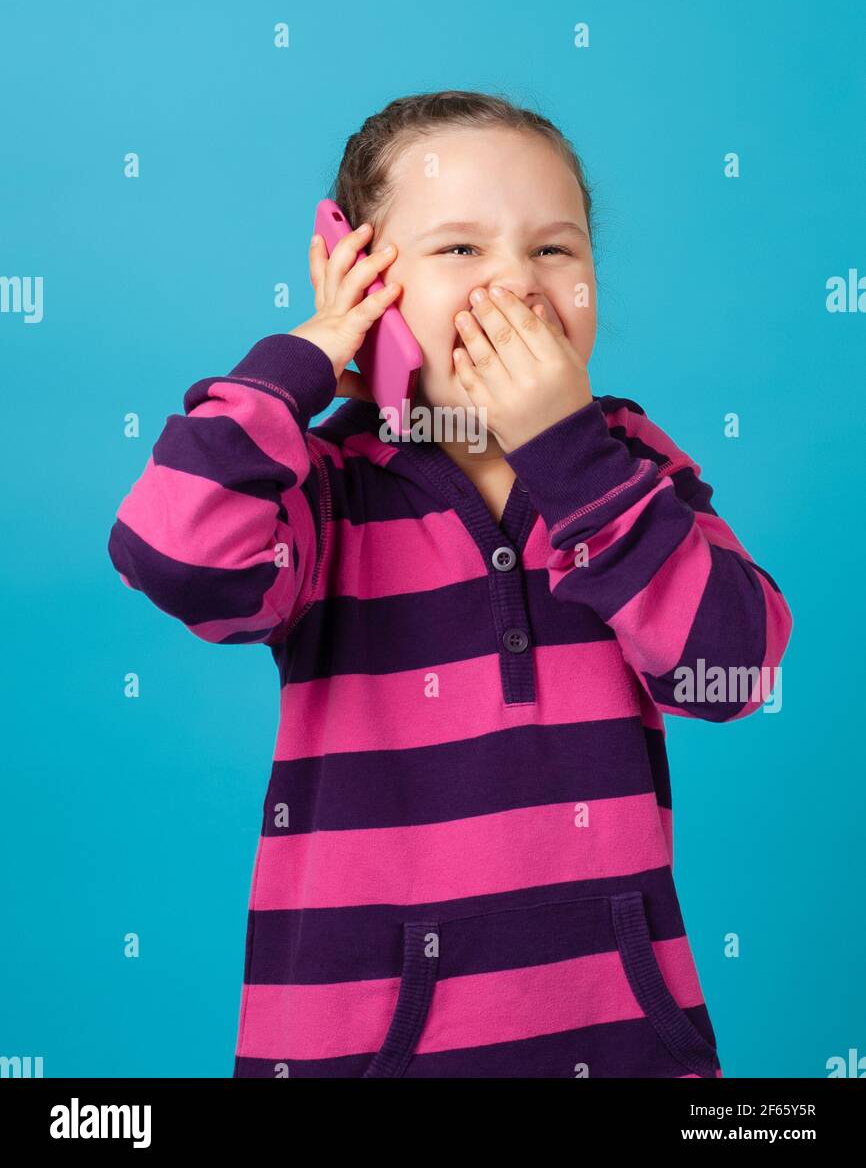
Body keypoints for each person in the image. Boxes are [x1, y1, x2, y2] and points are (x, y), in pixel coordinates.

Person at [108, 89, 793, 1078]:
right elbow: (171, 549)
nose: (515, 282)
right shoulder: (322, 491)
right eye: (460, 250)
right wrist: (306, 357)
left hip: (625, 1045)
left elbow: (730, 669)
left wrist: (570, 457)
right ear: (366, 281)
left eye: (554, 249)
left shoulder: (629, 466)